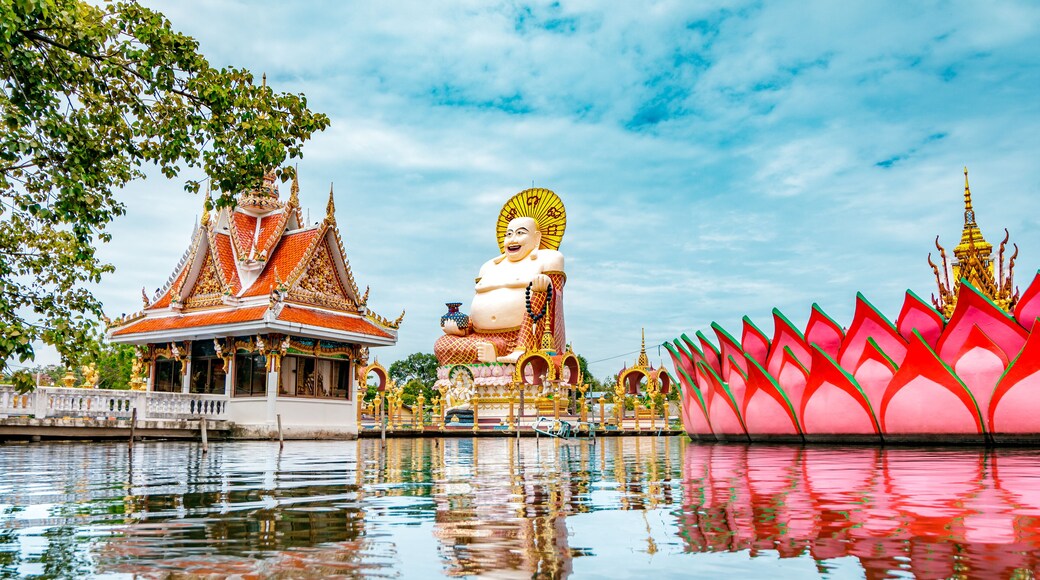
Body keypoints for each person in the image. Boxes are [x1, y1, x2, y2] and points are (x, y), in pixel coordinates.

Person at [435, 189, 567, 365]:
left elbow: (556, 297)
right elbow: (480, 308)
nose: (512, 239)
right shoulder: (488, 267)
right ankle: (495, 350)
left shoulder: (548, 258)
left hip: (524, 338)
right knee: (442, 345)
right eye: (509, 234)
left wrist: (547, 285)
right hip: (481, 338)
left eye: (520, 233)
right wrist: (462, 329)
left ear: (536, 238)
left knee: (539, 288)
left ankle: (518, 351)